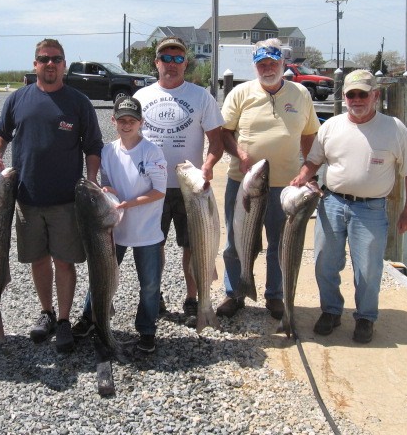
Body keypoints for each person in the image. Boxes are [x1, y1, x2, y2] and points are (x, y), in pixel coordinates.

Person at [290, 69, 407, 343]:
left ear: (375, 95)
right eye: (352, 94)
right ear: (344, 97)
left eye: (363, 94)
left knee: (369, 269)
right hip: (332, 203)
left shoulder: (394, 128)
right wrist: (302, 177)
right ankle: (331, 311)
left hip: (371, 210)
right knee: (325, 262)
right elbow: (314, 160)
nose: (357, 99)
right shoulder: (331, 126)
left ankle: (365, 318)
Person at [0, 38, 103, 353]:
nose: (50, 64)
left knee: (65, 263)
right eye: (44, 59)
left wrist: (91, 180)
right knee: (38, 260)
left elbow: (94, 145)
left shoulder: (78, 102)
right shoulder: (18, 100)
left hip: (67, 202)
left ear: (64, 64)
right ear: (35, 64)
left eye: (56, 59)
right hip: (27, 198)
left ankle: (65, 320)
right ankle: (47, 313)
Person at [217, 38, 320, 320]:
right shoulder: (240, 93)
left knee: (279, 242)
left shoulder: (300, 94)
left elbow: (310, 135)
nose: (267, 68)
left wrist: (308, 172)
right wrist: (239, 152)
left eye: (272, 63)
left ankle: (274, 296)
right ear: (255, 66)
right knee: (235, 241)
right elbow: (224, 132)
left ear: (283, 64)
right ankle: (234, 292)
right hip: (243, 182)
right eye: (262, 64)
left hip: (286, 186)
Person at [133, 36, 224, 320]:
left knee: (192, 245)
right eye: (166, 58)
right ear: (156, 62)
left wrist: (207, 167)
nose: (171, 65)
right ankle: (153, 295)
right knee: (152, 245)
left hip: (190, 189)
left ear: (185, 62)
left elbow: (217, 143)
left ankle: (192, 298)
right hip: (151, 187)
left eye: (177, 59)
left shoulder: (201, 96)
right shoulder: (140, 97)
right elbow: (129, 141)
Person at [72, 96, 167, 353]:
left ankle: (147, 330)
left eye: (132, 121)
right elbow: (106, 184)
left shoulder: (152, 151)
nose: (127, 125)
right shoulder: (107, 151)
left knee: (149, 285)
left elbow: (159, 191)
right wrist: (107, 190)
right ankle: (89, 317)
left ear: (141, 123)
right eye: (122, 120)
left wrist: (127, 203)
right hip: (113, 232)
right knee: (100, 277)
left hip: (146, 232)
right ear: (113, 121)